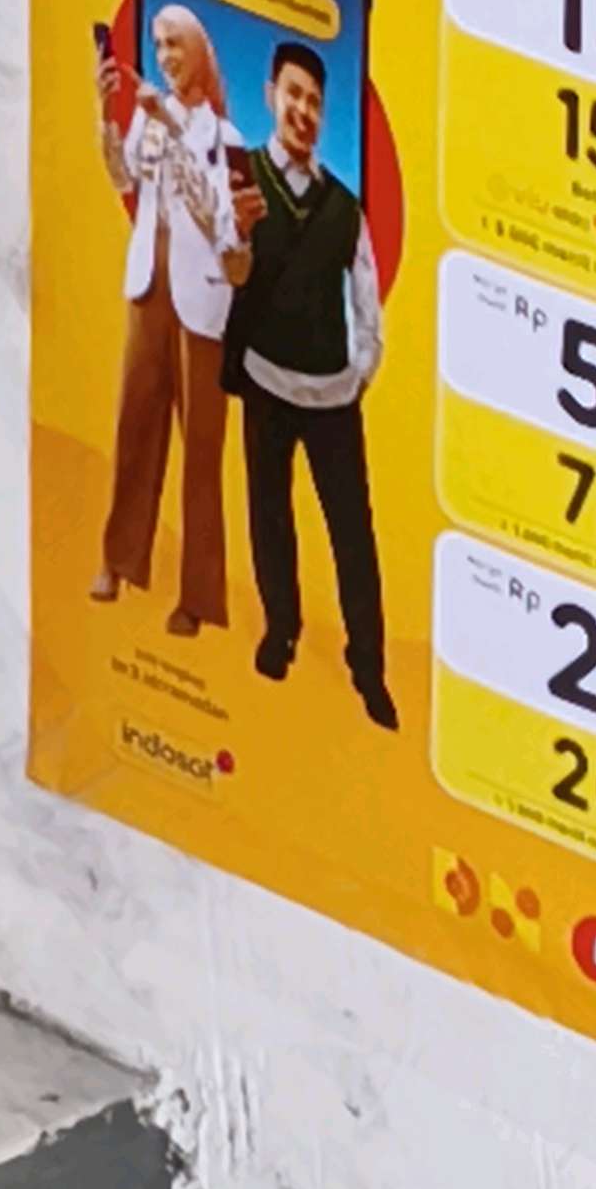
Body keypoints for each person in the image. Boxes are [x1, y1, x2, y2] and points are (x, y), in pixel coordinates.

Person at [225, 39, 396, 728]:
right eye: (293, 94)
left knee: (352, 532)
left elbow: (367, 299)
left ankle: (369, 667)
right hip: (265, 379)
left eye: (316, 102)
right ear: (271, 96)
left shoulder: (345, 207)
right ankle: (281, 630)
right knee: (269, 515)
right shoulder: (241, 183)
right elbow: (220, 272)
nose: (304, 110)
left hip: (331, 394)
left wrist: (360, 372)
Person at [92, 6, 248, 638]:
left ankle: (198, 599)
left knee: (200, 449)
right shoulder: (148, 117)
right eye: (157, 45)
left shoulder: (225, 137)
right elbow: (122, 177)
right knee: (134, 425)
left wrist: (171, 129)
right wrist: (106, 113)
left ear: (199, 52)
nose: (164, 56)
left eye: (175, 44)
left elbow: (222, 222)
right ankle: (118, 560)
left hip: (203, 298)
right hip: (149, 282)